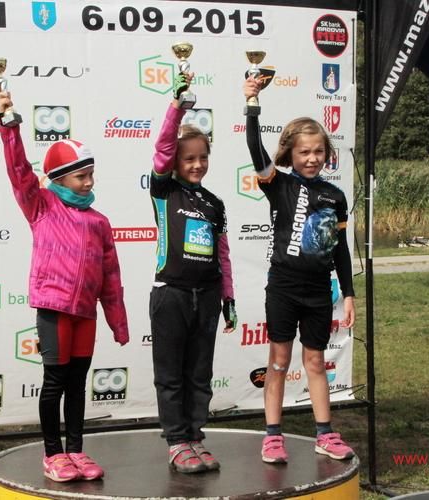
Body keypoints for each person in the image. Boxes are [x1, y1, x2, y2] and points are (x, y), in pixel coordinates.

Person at [0, 89, 129, 482]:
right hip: (54, 310)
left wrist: (118, 323)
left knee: (78, 384)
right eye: (81, 176)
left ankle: (76, 450)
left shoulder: (99, 222)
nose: (89, 182)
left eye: (91, 175)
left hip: (85, 315)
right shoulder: (40, 206)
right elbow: (19, 171)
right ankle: (53, 454)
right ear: (58, 178)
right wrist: (9, 125)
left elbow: (111, 278)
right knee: (55, 382)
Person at [242, 77, 356, 463]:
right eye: (304, 152)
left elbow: (340, 249)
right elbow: (254, 147)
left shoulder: (335, 196)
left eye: (318, 151)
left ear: (327, 154)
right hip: (283, 287)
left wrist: (349, 293)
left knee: (315, 362)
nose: (312, 158)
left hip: (319, 290)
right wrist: (252, 103)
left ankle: (325, 433)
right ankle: (272, 436)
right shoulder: (278, 185)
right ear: (290, 154)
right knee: (278, 361)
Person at [149, 72, 237, 474]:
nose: (197, 164)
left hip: (208, 294)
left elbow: (223, 253)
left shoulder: (215, 203)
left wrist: (229, 298)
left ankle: (195, 436)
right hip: (172, 294)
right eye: (189, 159)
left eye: (203, 157)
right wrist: (177, 107)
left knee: (200, 374)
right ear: (175, 162)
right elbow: (163, 147)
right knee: (171, 375)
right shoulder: (164, 191)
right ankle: (176, 440)